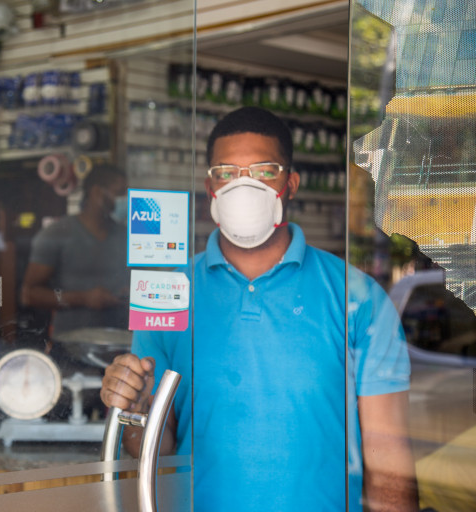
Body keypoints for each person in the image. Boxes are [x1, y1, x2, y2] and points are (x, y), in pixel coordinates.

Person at [101, 107, 419, 511]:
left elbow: (388, 456)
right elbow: (154, 448)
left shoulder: (357, 297)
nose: (244, 186)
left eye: (264, 171)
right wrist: (134, 405)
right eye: (226, 173)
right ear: (210, 188)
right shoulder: (168, 292)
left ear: (290, 184)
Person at [21, 164, 129, 338]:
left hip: (120, 342)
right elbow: (30, 294)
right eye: (119, 193)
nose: (125, 199)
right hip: (70, 344)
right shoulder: (57, 234)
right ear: (97, 192)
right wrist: (85, 298)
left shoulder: (127, 236)